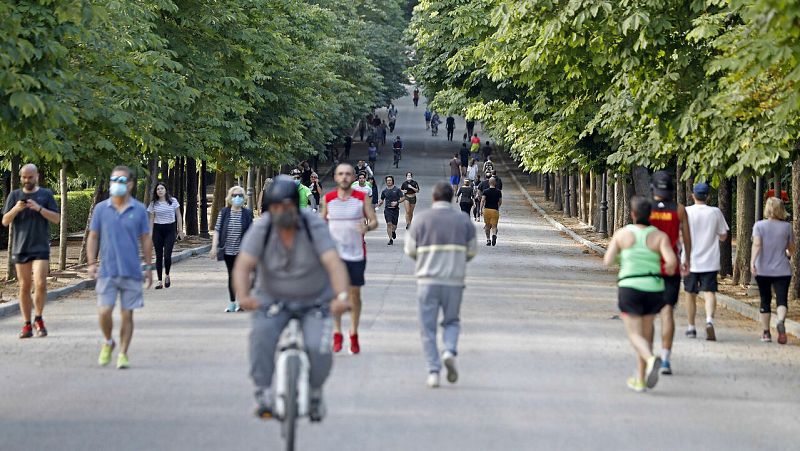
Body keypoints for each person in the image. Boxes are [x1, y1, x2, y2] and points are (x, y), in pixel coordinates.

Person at [233, 176, 351, 421]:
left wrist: (341, 297)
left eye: (285, 206)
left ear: (295, 207)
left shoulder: (312, 226)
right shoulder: (262, 228)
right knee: (260, 339)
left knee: (318, 348)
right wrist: (243, 296)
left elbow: (333, 263)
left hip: (315, 300)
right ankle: (263, 394)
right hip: (271, 300)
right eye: (274, 206)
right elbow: (243, 265)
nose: (280, 211)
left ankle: (316, 392)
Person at [405, 182, 477, 388]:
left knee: (427, 328)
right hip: (454, 280)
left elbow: (410, 250)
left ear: (434, 198)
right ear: (452, 198)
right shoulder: (463, 221)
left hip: (427, 280)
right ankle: (449, 351)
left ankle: (433, 371)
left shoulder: (420, 220)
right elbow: (471, 251)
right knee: (452, 321)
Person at [603, 196, 678, 393]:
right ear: (650, 215)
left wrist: (622, 255)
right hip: (654, 288)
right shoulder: (659, 236)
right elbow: (671, 262)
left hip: (630, 287)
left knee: (635, 335)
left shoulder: (622, 234)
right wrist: (668, 270)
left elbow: (608, 260)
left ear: (633, 214)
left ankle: (651, 359)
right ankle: (641, 379)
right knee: (647, 335)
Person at [86, 166, 153, 369]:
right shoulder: (100, 209)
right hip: (107, 270)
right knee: (104, 311)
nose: (117, 184)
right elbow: (93, 236)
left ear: (131, 184)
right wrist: (91, 263)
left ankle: (123, 352)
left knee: (127, 314)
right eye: (114, 180)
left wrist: (149, 266)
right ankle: (108, 341)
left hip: (132, 271)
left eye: (122, 180)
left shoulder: (139, 209)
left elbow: (145, 239)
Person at [321, 164, 378, 355]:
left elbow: (374, 220)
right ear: (336, 177)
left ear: (353, 177)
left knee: (354, 295)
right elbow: (321, 224)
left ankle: (353, 333)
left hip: (356, 253)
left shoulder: (361, 198)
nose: (344, 177)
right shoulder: (328, 199)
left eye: (348, 174)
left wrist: (367, 228)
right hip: (334, 254)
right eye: (340, 174)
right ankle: (337, 333)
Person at [2, 163, 60, 338]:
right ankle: (27, 324)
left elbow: (57, 219)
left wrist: (39, 208)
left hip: (40, 246)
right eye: (24, 177)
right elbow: (5, 221)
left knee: (41, 283)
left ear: (36, 176)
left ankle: (39, 318)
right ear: (20, 177)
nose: (27, 180)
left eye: (30, 177)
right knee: (25, 286)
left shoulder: (46, 194)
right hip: (21, 247)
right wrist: (16, 209)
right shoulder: (14, 195)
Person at [648, 171, 691, 375]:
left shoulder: (645, 209)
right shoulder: (680, 210)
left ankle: (648, 357)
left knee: (647, 315)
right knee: (667, 312)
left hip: (648, 267)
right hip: (671, 266)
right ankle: (665, 359)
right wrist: (687, 260)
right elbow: (687, 239)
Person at [684, 182, 729, 341]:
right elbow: (723, 236)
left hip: (689, 260)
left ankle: (691, 327)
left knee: (690, 294)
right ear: (708, 196)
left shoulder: (686, 212)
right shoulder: (715, 212)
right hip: (710, 260)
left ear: (693, 196)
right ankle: (709, 320)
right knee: (709, 292)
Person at [751, 197, 795, 344]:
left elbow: (757, 245)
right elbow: (791, 249)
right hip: (782, 269)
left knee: (765, 300)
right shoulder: (787, 227)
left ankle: (766, 333)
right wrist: (786, 252)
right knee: (781, 299)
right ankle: (781, 320)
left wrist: (752, 262)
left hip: (763, 269)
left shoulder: (759, 226)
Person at [211, 186, 254, 312]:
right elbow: (217, 230)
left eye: (240, 195)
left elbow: (252, 233)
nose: (237, 198)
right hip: (228, 250)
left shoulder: (247, 213)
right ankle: (232, 302)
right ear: (230, 197)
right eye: (235, 195)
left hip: (242, 251)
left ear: (244, 197)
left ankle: (242, 303)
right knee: (232, 275)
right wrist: (214, 247)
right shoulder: (224, 212)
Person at [147, 182, 185, 290]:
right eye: (158, 189)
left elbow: (178, 215)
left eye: (162, 188)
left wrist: (180, 230)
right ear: (156, 191)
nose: (160, 190)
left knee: (167, 255)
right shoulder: (154, 203)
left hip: (170, 230)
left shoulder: (173, 201)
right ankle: (159, 281)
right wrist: (150, 233)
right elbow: (151, 219)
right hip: (157, 230)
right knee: (159, 256)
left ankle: (167, 275)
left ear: (166, 190)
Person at [378, 176, 404, 245]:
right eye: (388, 180)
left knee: (394, 226)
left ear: (392, 181)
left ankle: (393, 231)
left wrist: (397, 202)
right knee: (389, 224)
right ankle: (390, 239)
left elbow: (403, 198)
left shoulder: (397, 189)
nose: (389, 182)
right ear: (386, 182)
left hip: (395, 210)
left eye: (390, 180)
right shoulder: (384, 191)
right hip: (387, 210)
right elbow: (382, 199)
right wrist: (380, 203)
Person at [481, 178, 502, 246]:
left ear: (489, 183)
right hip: (495, 210)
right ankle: (494, 234)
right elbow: (500, 201)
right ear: (495, 183)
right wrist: (497, 207)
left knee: (487, 226)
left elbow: (483, 200)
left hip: (487, 210)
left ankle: (488, 240)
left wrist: (481, 208)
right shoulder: (498, 192)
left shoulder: (485, 191)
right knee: (494, 226)